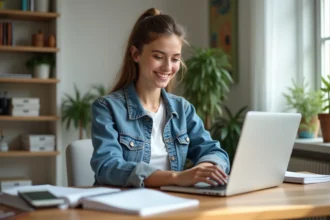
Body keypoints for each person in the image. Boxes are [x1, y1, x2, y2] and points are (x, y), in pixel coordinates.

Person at [91, 8, 230, 188]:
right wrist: (177, 178)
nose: (167, 67)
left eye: (175, 59)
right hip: (122, 207)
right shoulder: (107, 108)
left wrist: (204, 170)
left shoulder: (182, 109)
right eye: (158, 57)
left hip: (170, 204)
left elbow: (213, 151)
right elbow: (107, 167)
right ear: (135, 54)